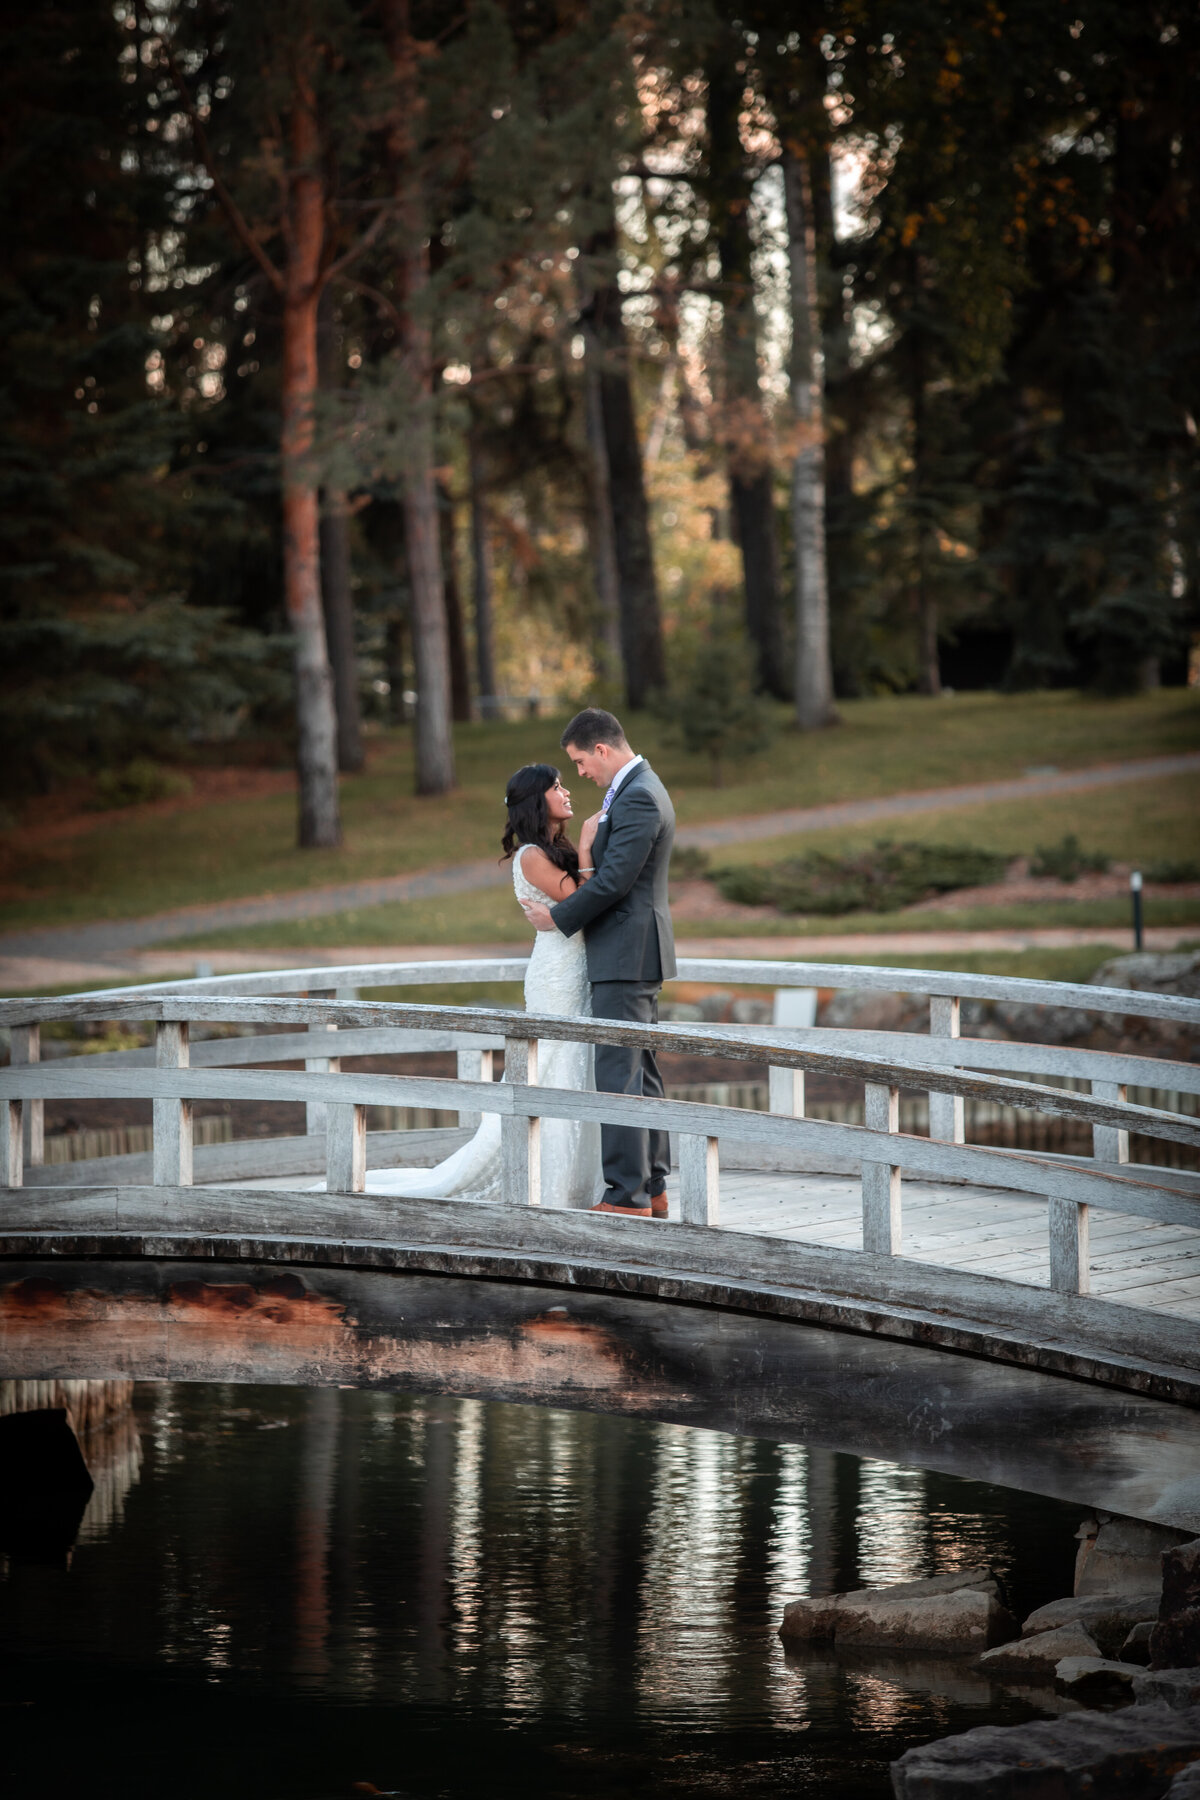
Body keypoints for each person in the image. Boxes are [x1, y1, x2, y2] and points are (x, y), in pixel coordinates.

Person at [364, 763, 602, 1208]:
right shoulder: (531, 854)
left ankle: (575, 1179)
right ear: (537, 800)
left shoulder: (555, 847)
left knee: (575, 1067)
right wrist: (587, 849)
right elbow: (582, 900)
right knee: (553, 1067)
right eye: (557, 787)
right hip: (557, 976)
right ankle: (541, 1180)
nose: (567, 792)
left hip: (576, 968)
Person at [520, 708, 676, 1218]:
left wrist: (559, 918)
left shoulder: (639, 797)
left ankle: (625, 1196)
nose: (581, 773)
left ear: (602, 750)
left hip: (625, 954)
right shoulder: (634, 790)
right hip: (629, 952)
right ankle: (651, 1188)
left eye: (581, 761)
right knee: (639, 1072)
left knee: (620, 1075)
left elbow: (613, 883)